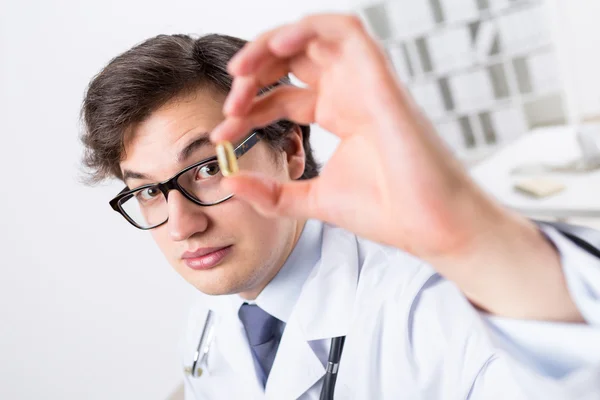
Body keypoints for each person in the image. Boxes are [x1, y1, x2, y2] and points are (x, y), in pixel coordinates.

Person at [80, 14, 600, 399]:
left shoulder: (428, 307)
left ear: (289, 149)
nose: (183, 227)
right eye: (148, 191)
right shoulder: (210, 321)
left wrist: (464, 233)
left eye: (210, 167)